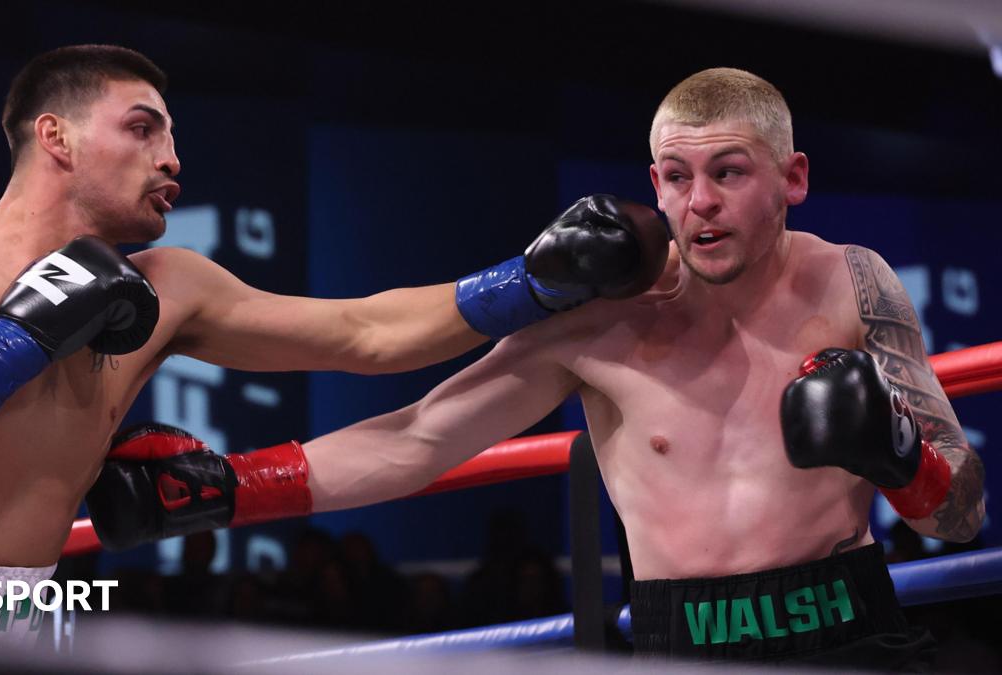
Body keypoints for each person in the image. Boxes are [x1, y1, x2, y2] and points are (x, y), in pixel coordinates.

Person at [99, 68, 986, 667]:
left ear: (792, 178)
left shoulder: (853, 283)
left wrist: (900, 454)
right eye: (678, 176)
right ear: (653, 181)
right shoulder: (601, 316)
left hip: (852, 630)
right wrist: (226, 488)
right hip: (683, 644)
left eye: (729, 172)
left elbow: (961, 513)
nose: (701, 203)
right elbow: (419, 438)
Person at [0, 44, 665, 644]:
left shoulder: (168, 287)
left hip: (18, 612)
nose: (172, 158)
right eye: (143, 129)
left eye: (173, 136)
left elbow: (366, 332)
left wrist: (531, 282)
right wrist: (17, 337)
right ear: (55, 137)